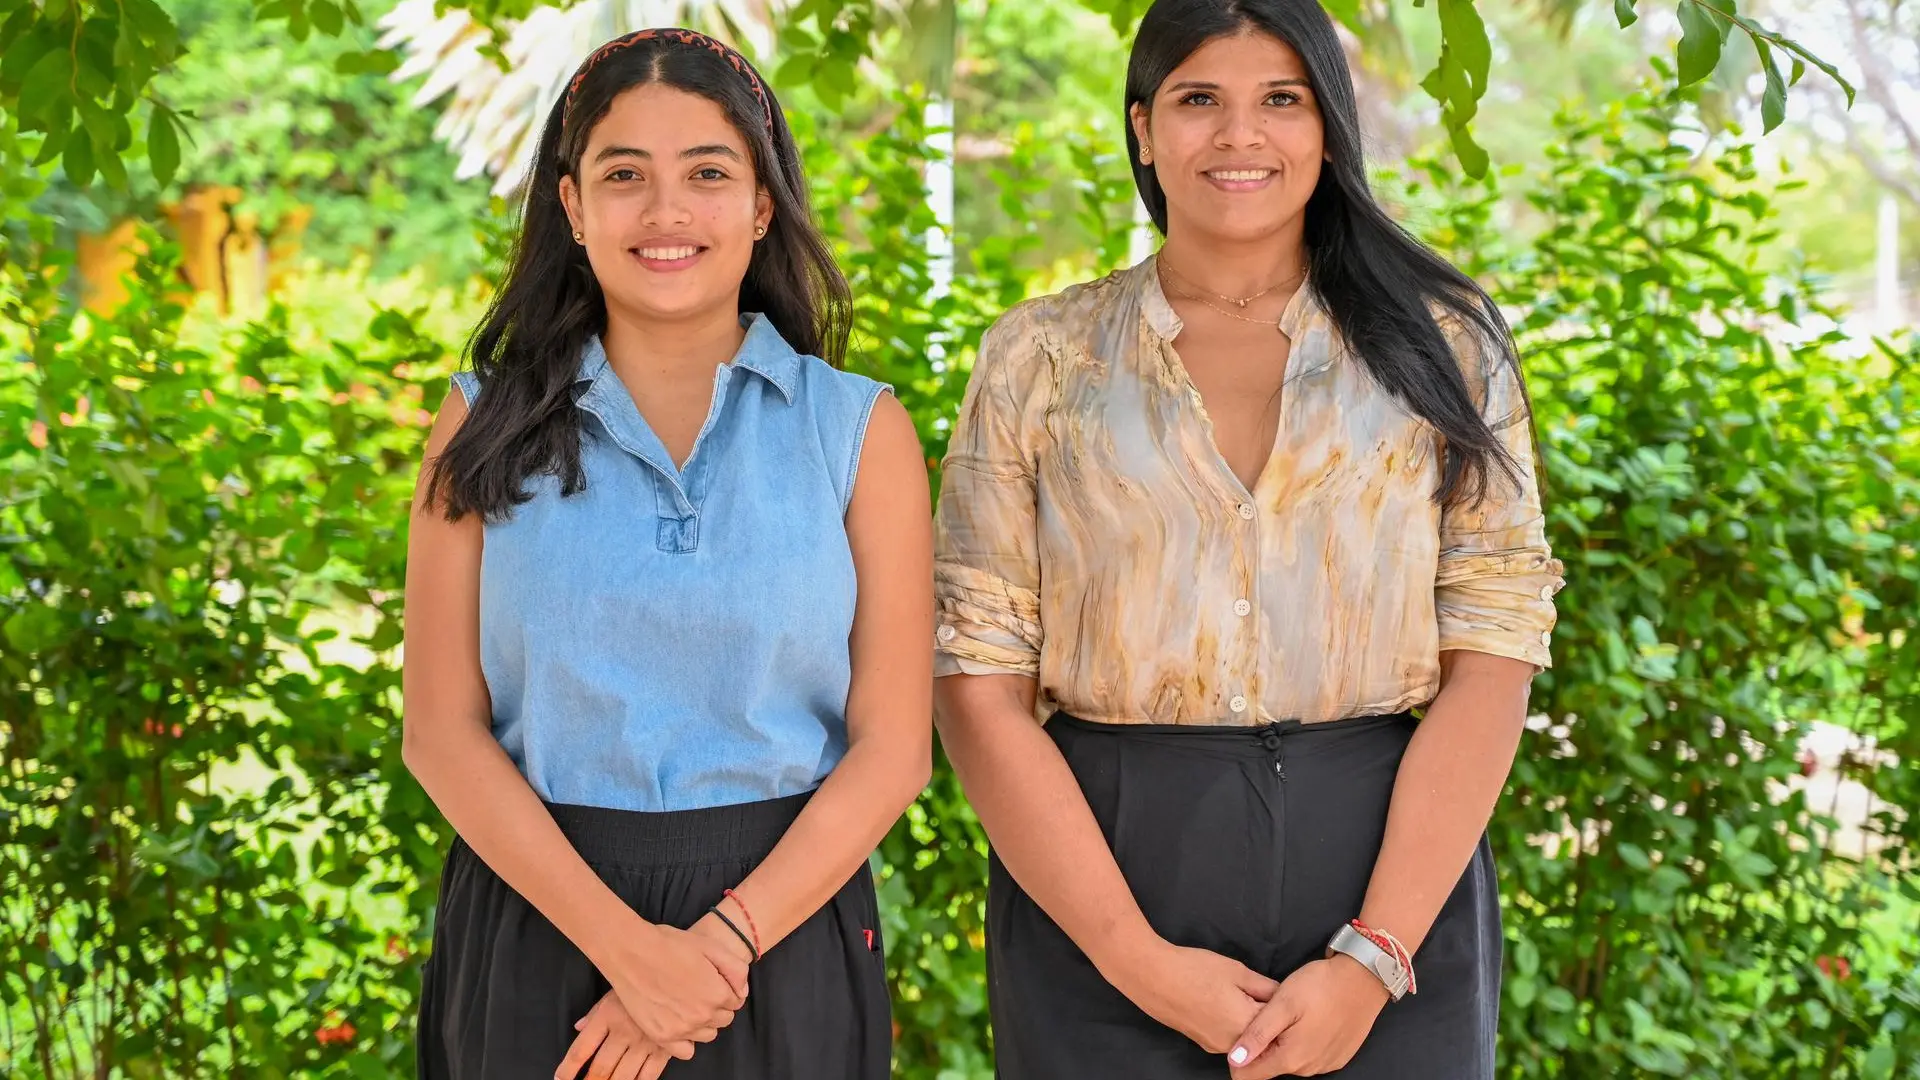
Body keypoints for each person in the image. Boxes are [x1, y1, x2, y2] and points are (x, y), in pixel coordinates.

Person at [931, 1, 1563, 1077]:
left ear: (1329, 125)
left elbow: (1496, 649)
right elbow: (976, 677)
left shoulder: (1449, 347)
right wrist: (1134, 959)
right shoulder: (1038, 358)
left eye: (1281, 99)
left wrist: (1374, 957)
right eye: (1198, 100)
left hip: (1388, 886)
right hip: (1105, 886)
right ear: (1143, 128)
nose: (1240, 135)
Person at [402, 27, 931, 1080]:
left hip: (783, 932)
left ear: (763, 204)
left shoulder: (857, 430)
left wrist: (718, 946)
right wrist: (628, 951)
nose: (666, 211)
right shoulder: (480, 422)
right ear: (572, 205)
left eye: (707, 173)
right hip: (541, 922)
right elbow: (440, 733)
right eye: (624, 175)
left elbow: (894, 750)